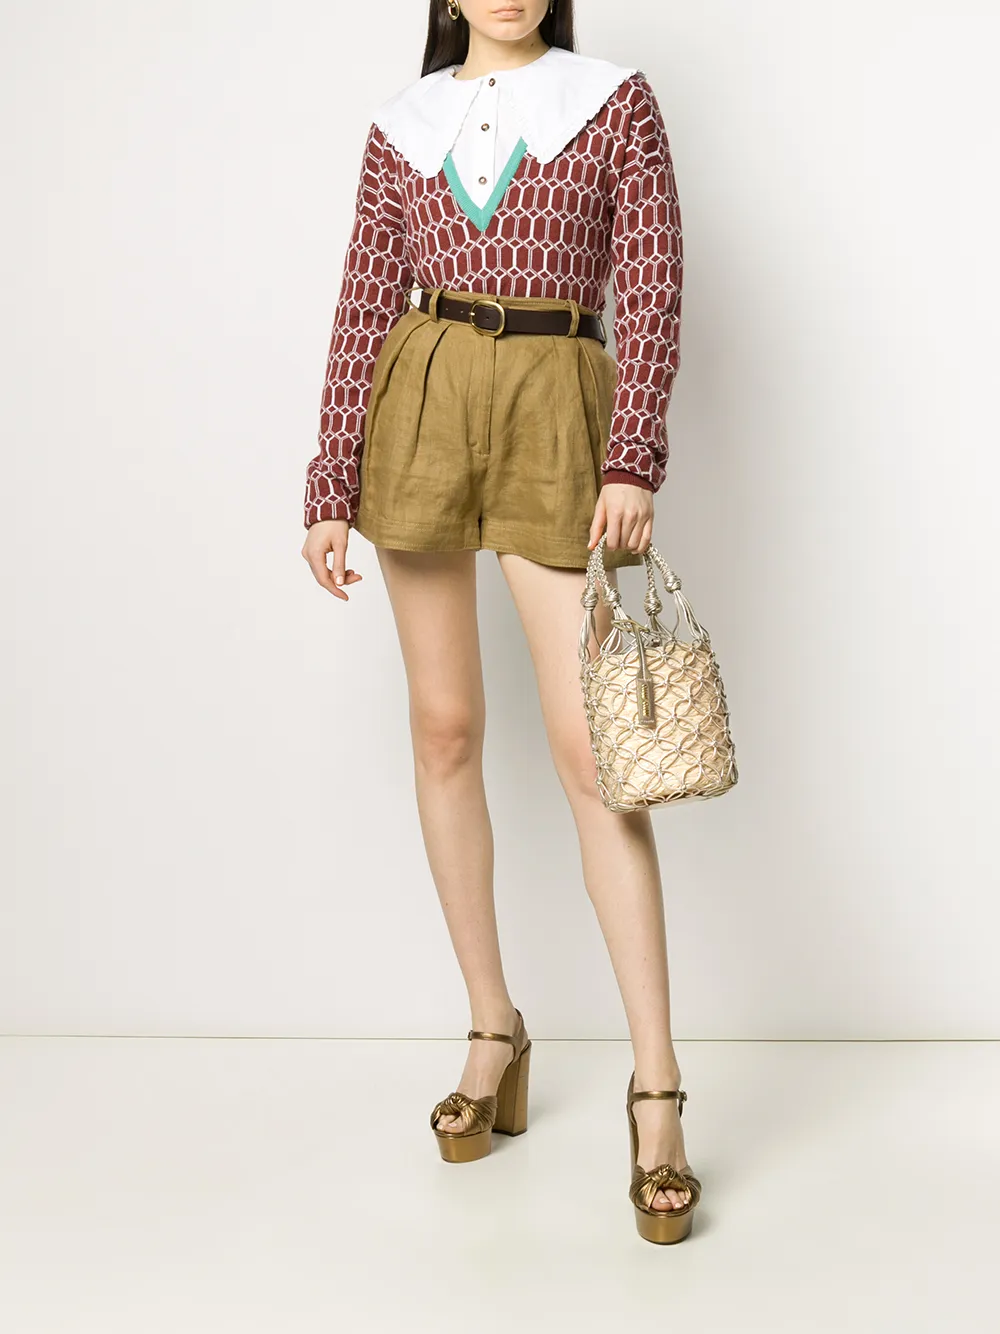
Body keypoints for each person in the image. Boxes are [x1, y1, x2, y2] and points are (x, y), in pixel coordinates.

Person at [300, 0, 700, 1244]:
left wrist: (631, 456)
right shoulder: (401, 124)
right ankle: (492, 1025)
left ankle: (656, 1088)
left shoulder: (613, 102)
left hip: (553, 399)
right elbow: (364, 299)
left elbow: (652, 281)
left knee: (592, 757)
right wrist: (328, 479)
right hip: (420, 395)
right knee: (445, 729)